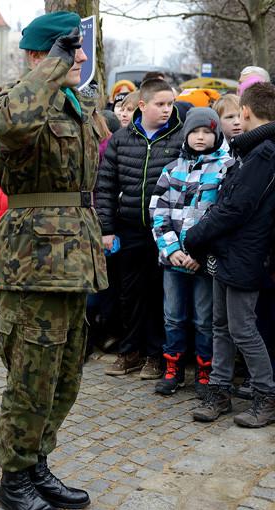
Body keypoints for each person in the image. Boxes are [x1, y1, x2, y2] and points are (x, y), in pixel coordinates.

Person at [0, 12, 107, 510]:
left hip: (75, 256)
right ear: (42, 53)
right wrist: (54, 66)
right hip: (33, 260)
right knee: (31, 373)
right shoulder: (19, 100)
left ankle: (37, 462)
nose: (79, 58)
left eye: (78, 50)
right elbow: (10, 126)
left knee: (65, 372)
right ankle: (14, 476)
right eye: (69, 49)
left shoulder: (71, 103)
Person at [185, 82, 275, 428]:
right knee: (220, 326)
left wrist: (195, 237)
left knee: (242, 329)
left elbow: (236, 208)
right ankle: (219, 391)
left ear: (248, 112)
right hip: (229, 253)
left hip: (245, 255)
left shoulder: (264, 152)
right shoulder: (252, 151)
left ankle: (267, 396)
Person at [97, 77, 184, 379]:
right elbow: (105, 186)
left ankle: (155, 355)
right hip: (129, 227)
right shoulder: (122, 139)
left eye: (170, 104)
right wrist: (107, 229)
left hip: (166, 232)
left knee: (160, 294)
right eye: (160, 104)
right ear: (143, 105)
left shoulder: (179, 136)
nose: (166, 110)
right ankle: (129, 350)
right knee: (129, 294)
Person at [149, 107, 234, 397]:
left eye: (206, 132)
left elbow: (223, 218)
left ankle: (205, 370)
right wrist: (171, 249)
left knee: (204, 319)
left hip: (203, 262)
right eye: (195, 132)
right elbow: (158, 212)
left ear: (215, 135)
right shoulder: (172, 169)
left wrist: (201, 254)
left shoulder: (226, 168)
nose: (200, 137)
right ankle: (172, 367)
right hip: (173, 260)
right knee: (172, 315)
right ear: (186, 135)